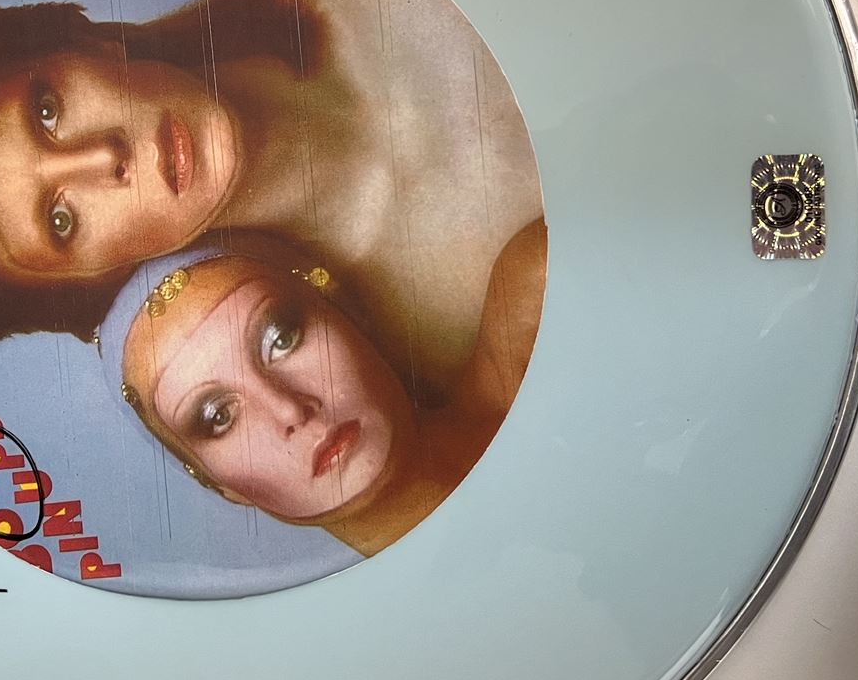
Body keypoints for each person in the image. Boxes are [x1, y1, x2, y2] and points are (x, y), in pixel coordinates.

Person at [0, 0, 542, 399]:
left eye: (46, 111)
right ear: (97, 280)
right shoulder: (407, 361)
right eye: (61, 219)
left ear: (85, 42)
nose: (103, 158)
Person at [105, 221, 547, 558]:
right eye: (219, 417)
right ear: (217, 484)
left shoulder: (540, 292)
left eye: (282, 339)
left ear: (346, 311)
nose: (289, 410)